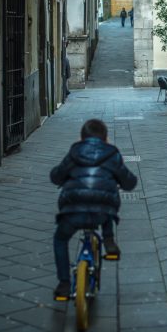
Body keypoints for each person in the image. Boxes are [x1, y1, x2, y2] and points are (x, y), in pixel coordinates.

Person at [49, 118, 137, 300]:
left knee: (60, 239)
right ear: (106, 138)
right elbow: (129, 182)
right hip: (102, 211)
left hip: (73, 208)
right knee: (106, 205)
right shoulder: (112, 153)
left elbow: (57, 177)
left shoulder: (75, 151)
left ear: (81, 138)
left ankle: (64, 284)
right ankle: (109, 240)